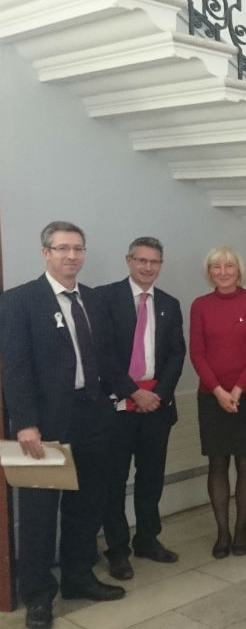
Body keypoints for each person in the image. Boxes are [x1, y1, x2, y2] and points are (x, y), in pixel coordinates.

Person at [0, 221, 126, 629]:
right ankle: (38, 596)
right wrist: (25, 424)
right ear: (45, 253)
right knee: (38, 513)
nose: (72, 256)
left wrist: (131, 393)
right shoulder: (19, 300)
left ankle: (77, 577)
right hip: (44, 425)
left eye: (78, 249)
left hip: (92, 416)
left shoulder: (93, 300)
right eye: (63, 248)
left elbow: (105, 360)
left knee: (86, 505)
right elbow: (14, 367)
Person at [98, 237, 186, 581]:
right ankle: (117, 550)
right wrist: (132, 391)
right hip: (118, 406)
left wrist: (158, 395)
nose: (148, 267)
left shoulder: (169, 303)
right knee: (114, 481)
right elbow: (101, 353)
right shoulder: (105, 298)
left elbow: (177, 354)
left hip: (157, 407)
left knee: (151, 479)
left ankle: (147, 539)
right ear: (129, 261)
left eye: (155, 262)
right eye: (142, 260)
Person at [189, 246, 246, 559]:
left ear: (239, 269)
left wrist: (236, 389)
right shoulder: (200, 305)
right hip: (211, 397)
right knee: (217, 462)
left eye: (229, 266)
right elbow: (197, 352)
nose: (223, 271)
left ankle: (241, 530)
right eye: (216, 267)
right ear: (209, 272)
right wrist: (219, 391)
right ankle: (222, 532)